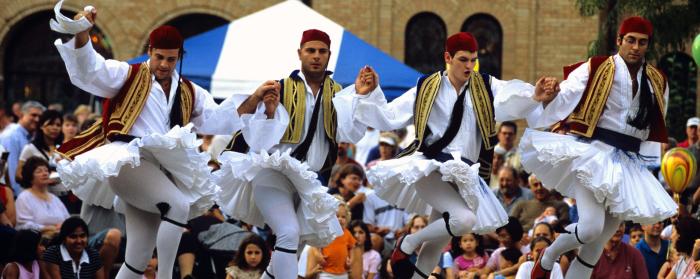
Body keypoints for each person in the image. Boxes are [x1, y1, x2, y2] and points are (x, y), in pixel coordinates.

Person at [51, 5, 248, 278]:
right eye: (159, 57)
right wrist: (83, 34)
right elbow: (92, 70)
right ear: (150, 51)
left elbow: (216, 118)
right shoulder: (127, 75)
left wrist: (256, 99)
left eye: (171, 59)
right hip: (127, 162)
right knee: (178, 205)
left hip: (155, 173)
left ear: (180, 57)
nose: (164, 65)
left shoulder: (188, 90)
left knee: (137, 259)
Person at [350, 31, 557, 278]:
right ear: (447, 57)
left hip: (465, 174)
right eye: (463, 59)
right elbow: (390, 115)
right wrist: (367, 95)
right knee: (464, 221)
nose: (469, 65)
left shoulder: (486, 86)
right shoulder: (426, 86)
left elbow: (510, 101)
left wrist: (535, 96)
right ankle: (406, 244)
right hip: (429, 167)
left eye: (473, 59)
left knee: (437, 243)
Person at [518, 16, 678, 279]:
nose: (635, 47)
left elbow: (654, 123)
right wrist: (549, 96)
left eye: (642, 42)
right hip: (594, 154)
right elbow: (567, 95)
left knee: (594, 249)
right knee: (591, 228)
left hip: (628, 163)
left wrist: (647, 164)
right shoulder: (597, 66)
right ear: (619, 41)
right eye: (630, 40)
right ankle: (548, 257)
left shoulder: (657, 80)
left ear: (647, 45)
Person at [214, 28, 379, 279]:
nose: (316, 56)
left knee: (297, 245)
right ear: (299, 53)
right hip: (274, 174)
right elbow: (257, 141)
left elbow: (351, 134)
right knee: (289, 233)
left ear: (329, 55)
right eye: (310, 50)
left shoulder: (339, 93)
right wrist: (269, 112)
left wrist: (359, 97)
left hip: (310, 180)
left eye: (322, 51)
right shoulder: (279, 88)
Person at [16, 110, 66, 199]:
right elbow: (18, 175)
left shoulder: (61, 148)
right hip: (39, 197)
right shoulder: (30, 148)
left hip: (62, 196)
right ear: (41, 126)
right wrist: (41, 179)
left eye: (58, 125)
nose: (55, 128)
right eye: (51, 124)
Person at [0, 101, 45, 195]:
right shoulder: (12, 136)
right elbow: (12, 171)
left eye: (40, 117)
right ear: (21, 115)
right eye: (33, 115)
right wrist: (16, 197)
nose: (37, 119)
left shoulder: (31, 135)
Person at [15, 157, 69, 233]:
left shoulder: (54, 198)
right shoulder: (24, 198)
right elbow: (23, 225)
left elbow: (67, 219)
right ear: (30, 176)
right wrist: (46, 228)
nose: (45, 174)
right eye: (39, 171)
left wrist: (63, 226)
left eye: (46, 171)